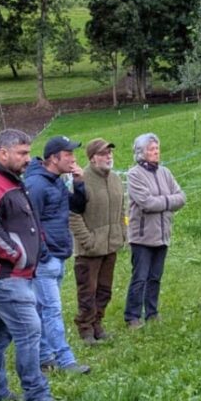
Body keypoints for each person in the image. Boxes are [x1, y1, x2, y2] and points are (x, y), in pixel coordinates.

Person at [0, 129, 58, 401]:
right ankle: (37, 395)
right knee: (30, 331)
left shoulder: (11, 179)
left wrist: (38, 246)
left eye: (28, 152)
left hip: (13, 275)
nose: (28, 158)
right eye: (21, 153)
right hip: (3, 276)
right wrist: (18, 256)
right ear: (3, 153)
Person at [24, 135, 91, 374]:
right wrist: (43, 254)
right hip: (46, 258)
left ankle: (43, 355)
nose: (73, 159)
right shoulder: (37, 185)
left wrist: (79, 182)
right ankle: (65, 360)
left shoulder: (56, 181)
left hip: (59, 253)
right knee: (52, 309)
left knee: (43, 309)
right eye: (69, 154)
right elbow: (30, 222)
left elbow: (78, 206)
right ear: (54, 158)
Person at [123, 133, 186, 328]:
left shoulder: (165, 173)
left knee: (155, 277)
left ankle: (152, 312)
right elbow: (146, 203)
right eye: (151, 149)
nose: (156, 152)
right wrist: (168, 201)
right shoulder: (134, 174)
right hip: (142, 236)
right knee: (140, 277)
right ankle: (132, 316)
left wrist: (164, 202)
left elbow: (182, 197)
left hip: (162, 234)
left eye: (157, 148)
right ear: (141, 153)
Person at [69, 138, 126, 344]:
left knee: (104, 289)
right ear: (93, 158)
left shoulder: (116, 179)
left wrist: (122, 232)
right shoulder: (80, 180)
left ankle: (97, 324)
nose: (109, 156)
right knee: (87, 291)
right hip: (89, 250)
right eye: (103, 153)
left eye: (110, 152)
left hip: (110, 246)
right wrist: (87, 240)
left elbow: (122, 209)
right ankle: (85, 328)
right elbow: (73, 215)